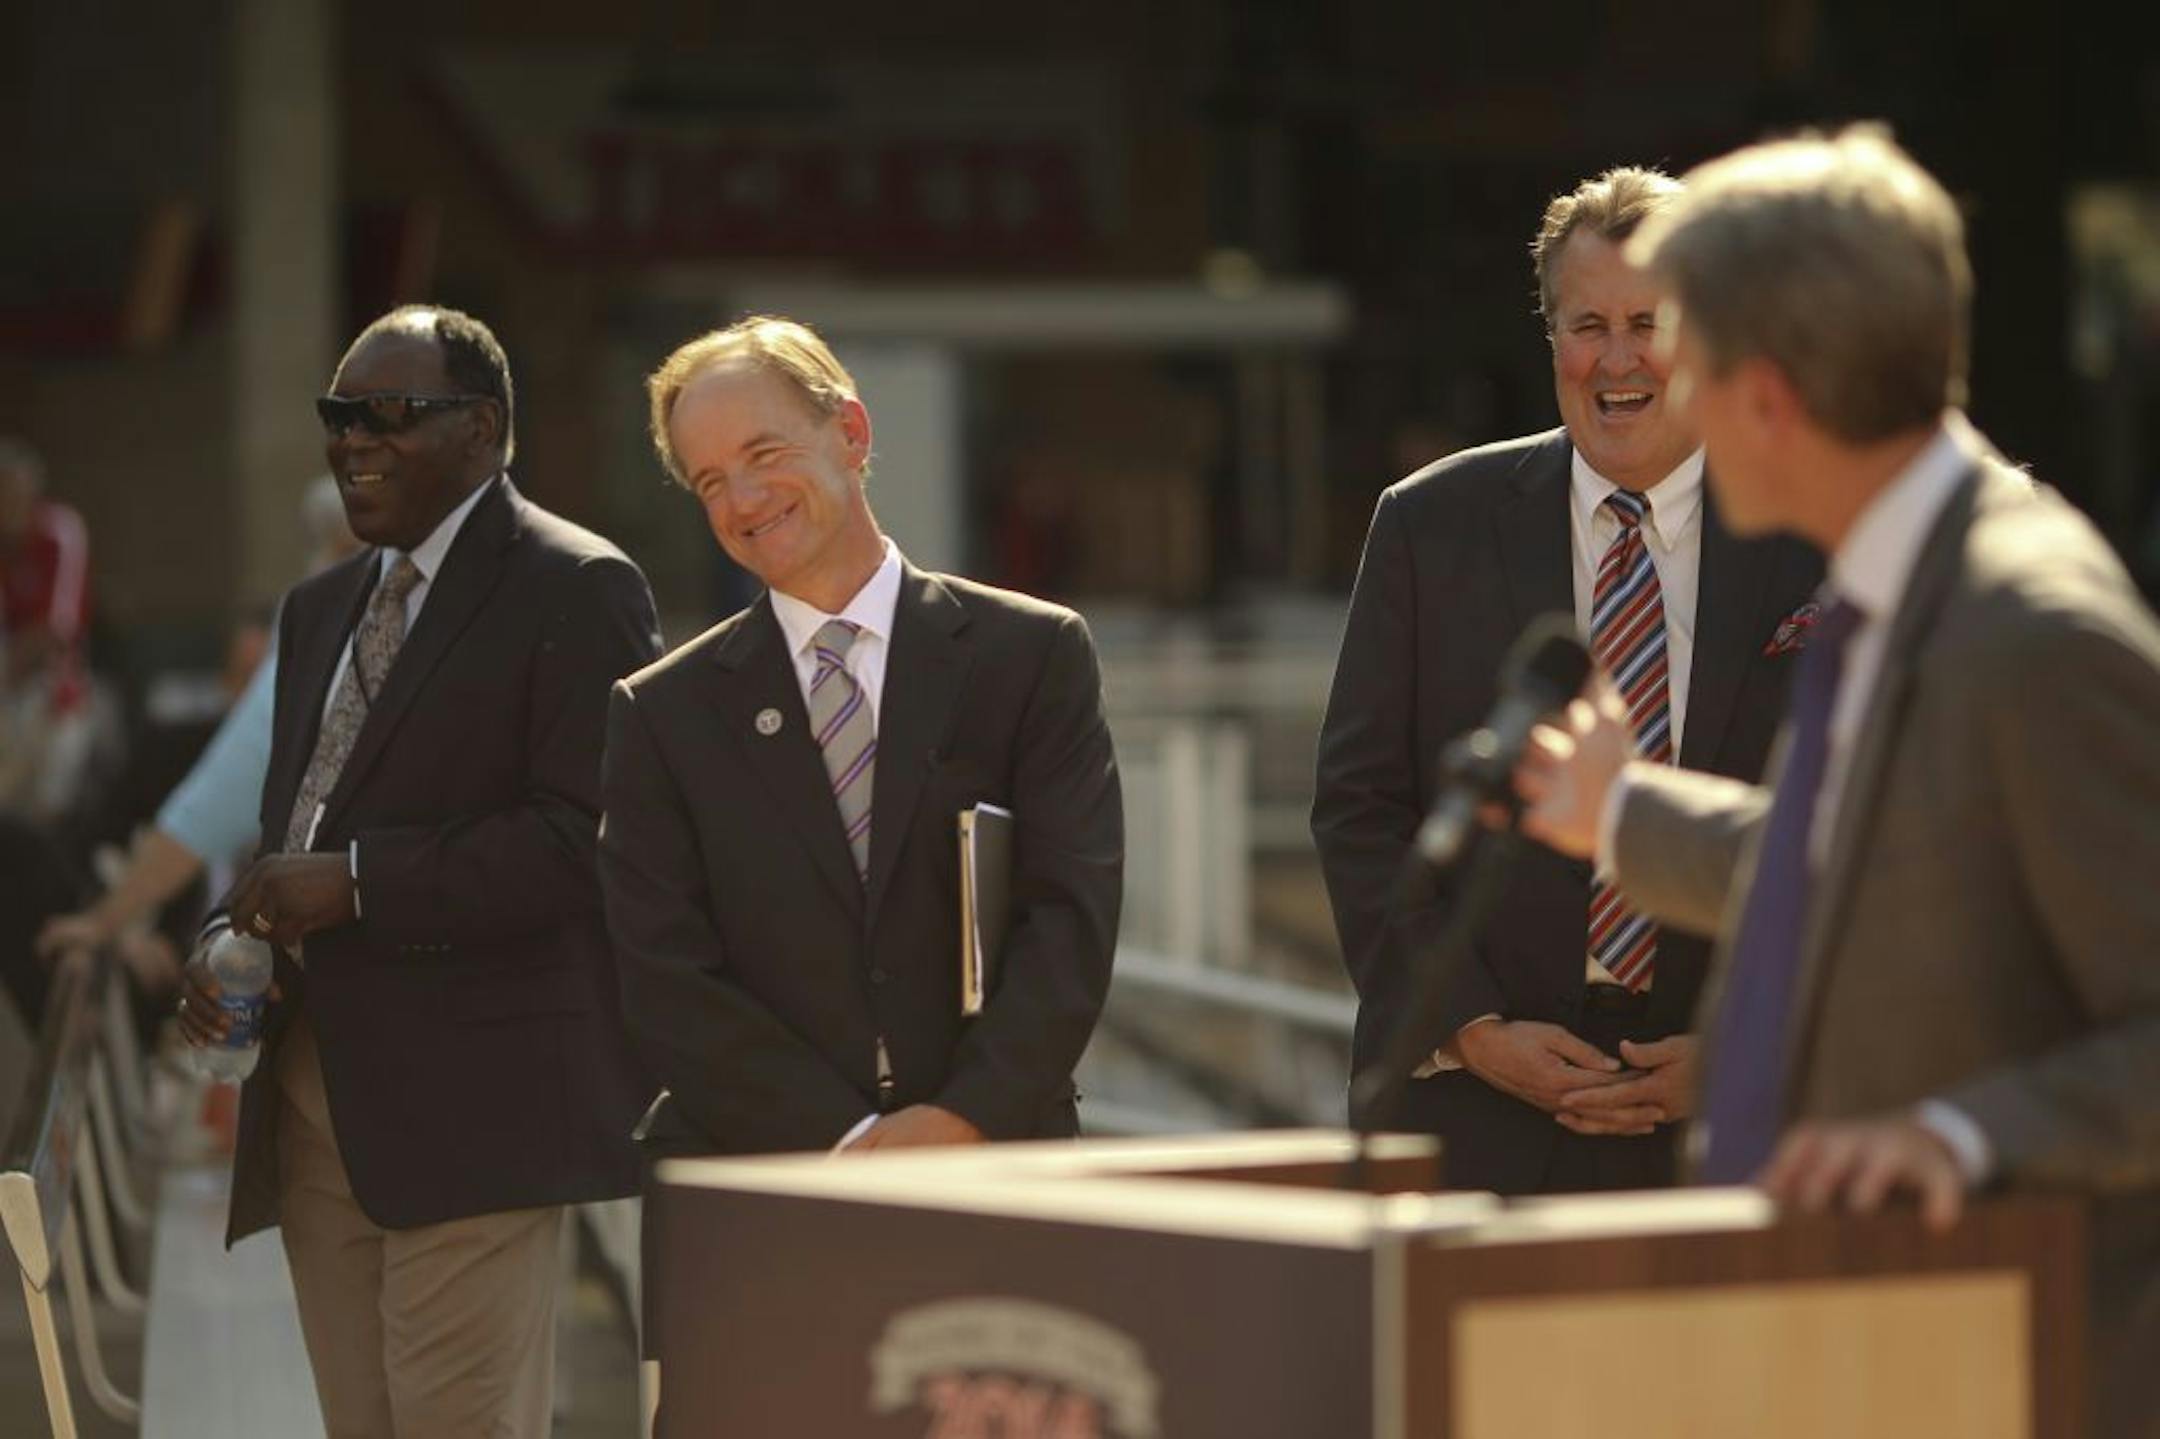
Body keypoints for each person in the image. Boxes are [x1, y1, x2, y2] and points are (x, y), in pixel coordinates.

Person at [1514, 127, 2160, 1439]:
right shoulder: (1894, 573)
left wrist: (1958, 1132)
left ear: (1766, 396)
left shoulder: (2032, 628)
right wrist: (1628, 815)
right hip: (1858, 1342)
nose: (1659, 396)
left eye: (1685, 355)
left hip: (2008, 1360)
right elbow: (1877, 859)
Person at [176, 305, 663, 1437]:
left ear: (485, 429)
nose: (355, 440)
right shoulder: (319, 608)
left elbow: (588, 839)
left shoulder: (576, 584)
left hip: (476, 1113)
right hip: (307, 1098)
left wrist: (358, 881)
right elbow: (286, 826)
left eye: (392, 414)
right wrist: (221, 934)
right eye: (341, 415)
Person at [1312, 167, 1822, 1195]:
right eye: (1587, 323)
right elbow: (1362, 811)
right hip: (1476, 1118)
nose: (1619, 358)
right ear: (1550, 339)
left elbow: (1852, 832)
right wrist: (1472, 1026)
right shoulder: (1429, 524)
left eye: (1650, 321)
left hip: (1732, 1121)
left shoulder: (1809, 531)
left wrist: (1741, 1046)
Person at [600, 315, 1122, 1162]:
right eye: (710, 481)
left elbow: (1069, 923)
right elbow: (666, 981)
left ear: (850, 431)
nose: (743, 501)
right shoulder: (662, 714)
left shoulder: (1029, 656)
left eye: (764, 456)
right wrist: (846, 1143)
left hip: (998, 1165)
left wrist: (959, 1121)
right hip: (761, 1185)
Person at [38, 477, 364, 977]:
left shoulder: (351, 604)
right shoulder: (323, 609)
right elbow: (217, 796)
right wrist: (111, 923)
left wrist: (106, 922)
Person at [0, 438, 95, 823]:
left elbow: (58, 629)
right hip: (9, 697)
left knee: (47, 813)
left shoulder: (59, 531)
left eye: (15, 495)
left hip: (52, 696)